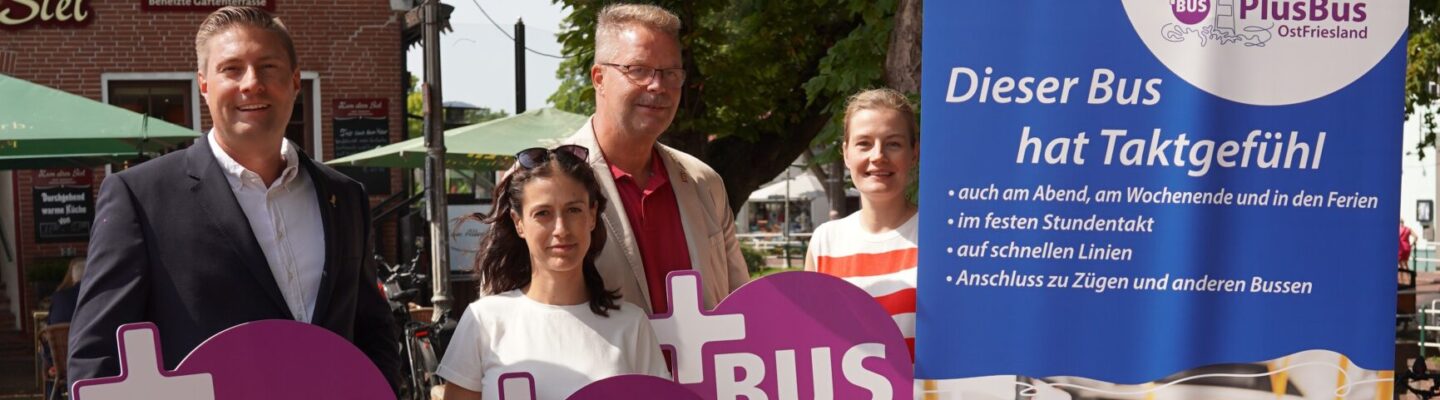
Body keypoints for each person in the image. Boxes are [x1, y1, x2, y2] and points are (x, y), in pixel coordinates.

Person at [69, 6, 398, 388]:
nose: (251, 83)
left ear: (294, 81)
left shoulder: (345, 197)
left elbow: (372, 329)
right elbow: (97, 358)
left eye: (268, 66)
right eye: (231, 69)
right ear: (204, 84)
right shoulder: (141, 198)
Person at [438, 145, 669, 400]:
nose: (561, 229)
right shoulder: (484, 321)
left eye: (573, 210)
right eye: (543, 213)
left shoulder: (632, 325)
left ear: (592, 216)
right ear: (519, 223)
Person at [563, 3, 748, 314]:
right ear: (599, 78)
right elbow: (512, 319)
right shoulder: (544, 182)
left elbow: (742, 306)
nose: (657, 86)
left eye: (670, 73)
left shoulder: (705, 182)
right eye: (638, 70)